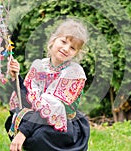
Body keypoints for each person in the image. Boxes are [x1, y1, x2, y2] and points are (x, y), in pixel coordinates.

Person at [5, 19, 90, 151]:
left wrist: (23, 132)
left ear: (76, 53)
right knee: (13, 120)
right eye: (63, 41)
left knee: (40, 136)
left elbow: (51, 106)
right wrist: (16, 77)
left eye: (72, 48)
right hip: (39, 118)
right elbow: (27, 96)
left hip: (63, 124)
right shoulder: (40, 66)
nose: (66, 49)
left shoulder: (74, 73)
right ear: (53, 40)